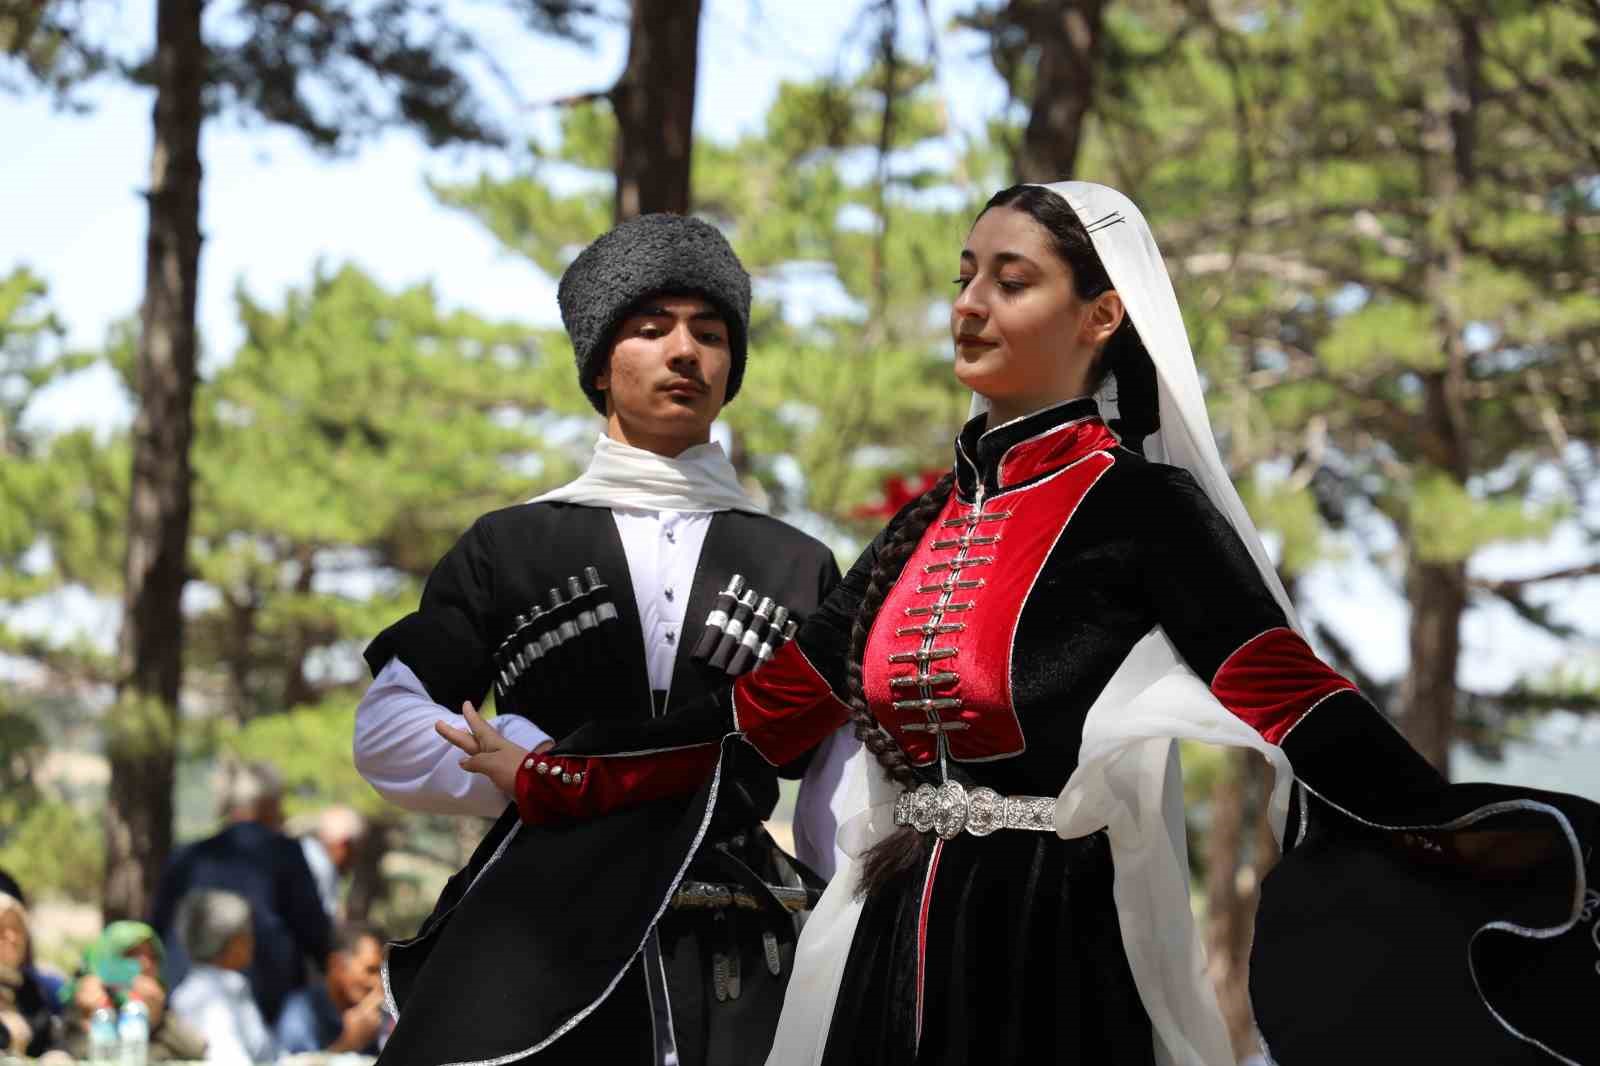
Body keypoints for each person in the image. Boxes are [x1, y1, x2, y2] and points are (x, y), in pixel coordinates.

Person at [442, 182, 1600, 1066]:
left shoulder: (1137, 509)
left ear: (1101, 314)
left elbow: (1287, 692)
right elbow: (758, 717)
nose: (967, 304)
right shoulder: (913, 532)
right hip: (881, 942)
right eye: (962, 274)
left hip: (1047, 948)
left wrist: (1484, 831)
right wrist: (556, 773)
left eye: (1011, 279)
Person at [356, 211, 854, 1066]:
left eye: (709, 332)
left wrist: (852, 930)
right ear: (598, 364)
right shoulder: (508, 546)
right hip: (536, 939)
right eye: (650, 328)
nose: (684, 352)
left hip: (745, 951)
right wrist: (530, 769)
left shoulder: (796, 562)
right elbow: (387, 729)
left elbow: (837, 791)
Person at [151, 761, 332, 1025]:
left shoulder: (186, 856)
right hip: (266, 1007)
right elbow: (315, 932)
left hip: (185, 999)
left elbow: (158, 931)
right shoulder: (286, 855)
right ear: (268, 803)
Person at [58, 921, 207, 1062]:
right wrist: (90, 1019)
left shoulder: (159, 1010)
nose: (145, 963)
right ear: (105, 959)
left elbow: (197, 1049)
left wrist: (156, 1019)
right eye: (131, 954)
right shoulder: (84, 1004)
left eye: (152, 956)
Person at [168, 890, 275, 1065]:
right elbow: (230, 1059)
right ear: (233, 942)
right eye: (247, 934)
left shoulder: (233, 986)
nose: (253, 940)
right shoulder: (203, 995)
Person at [274, 921, 387, 1055]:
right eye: (370, 970)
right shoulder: (300, 1015)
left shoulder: (378, 1017)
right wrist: (348, 1043)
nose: (379, 983)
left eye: (383, 973)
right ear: (337, 965)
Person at [299, 807, 367, 919]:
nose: (354, 860)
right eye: (356, 851)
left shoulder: (305, 851)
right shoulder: (321, 867)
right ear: (344, 845)